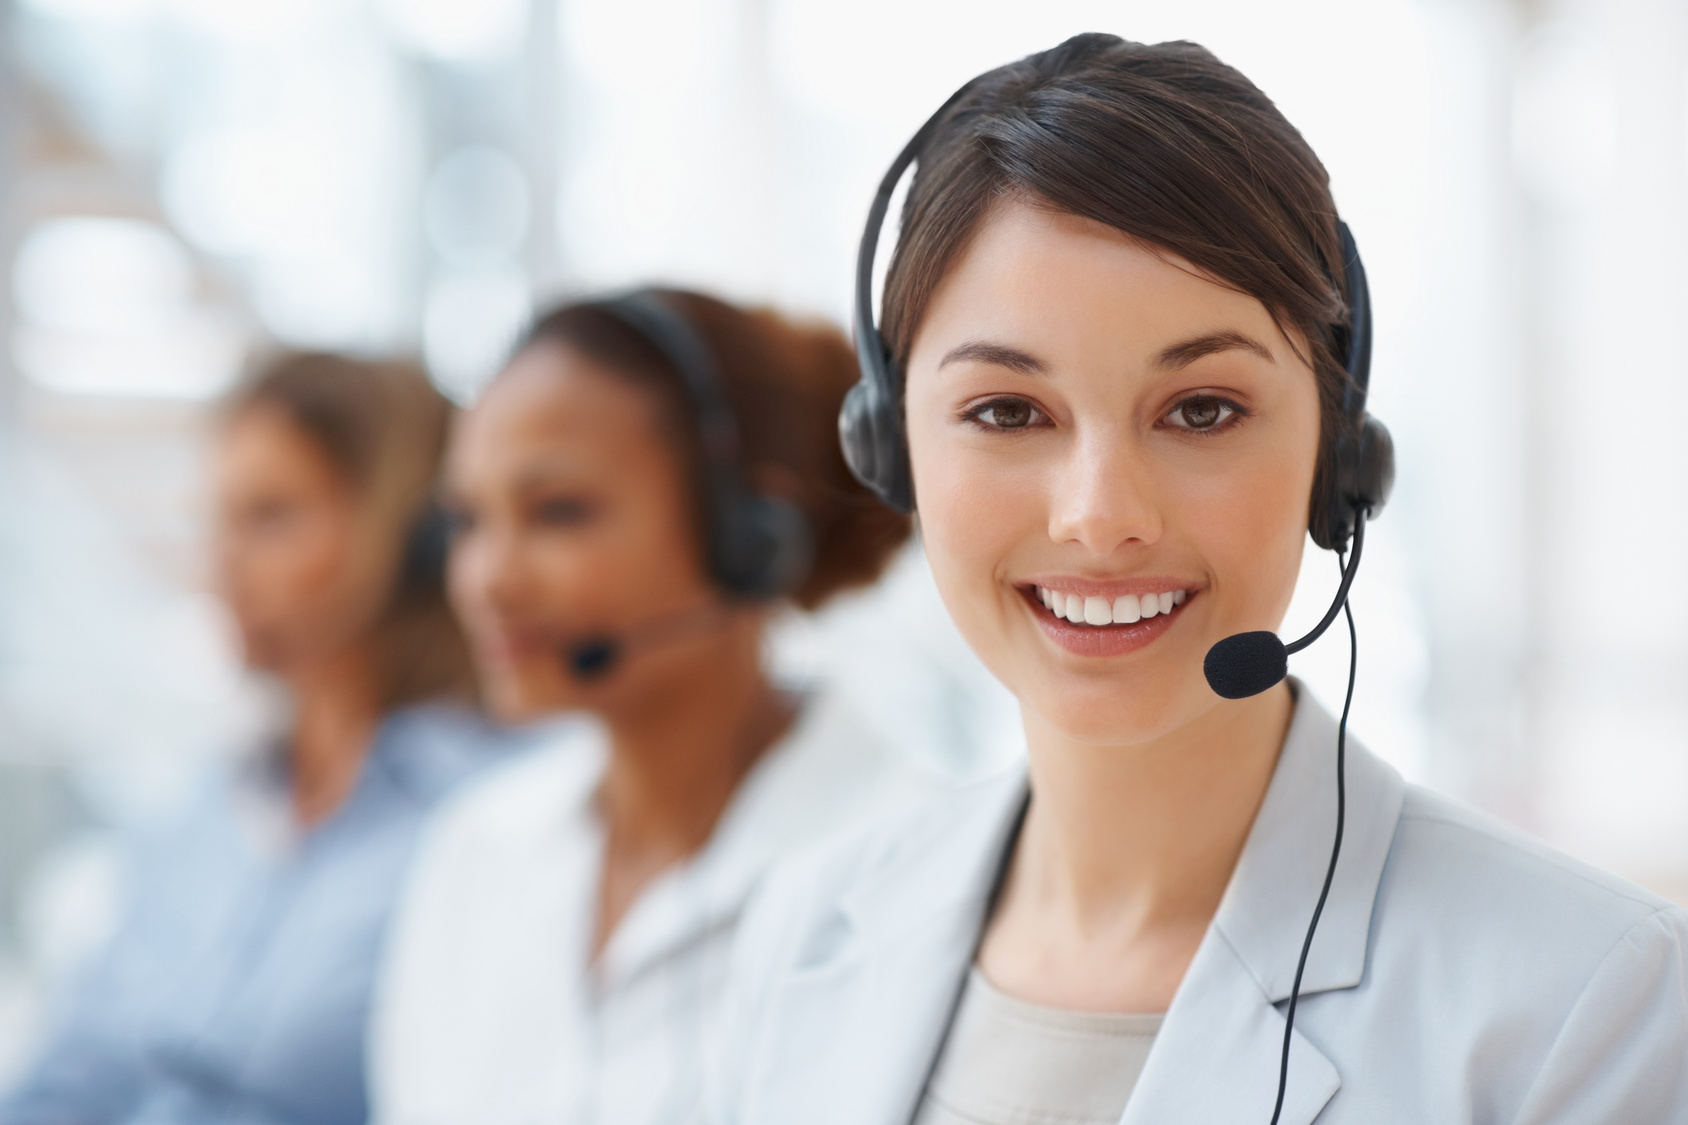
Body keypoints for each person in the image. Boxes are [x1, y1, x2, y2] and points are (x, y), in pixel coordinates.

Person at [707, 35, 1688, 1125]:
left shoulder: (1590, 1006)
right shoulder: (800, 936)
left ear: (1336, 456)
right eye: (1006, 411)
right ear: (890, 448)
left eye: (1201, 410)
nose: (1100, 515)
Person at [368, 289, 929, 1125]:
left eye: (558, 511)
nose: (488, 576)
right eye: (468, 521)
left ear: (748, 533)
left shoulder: (910, 872)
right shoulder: (474, 847)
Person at [0, 353, 525, 1125]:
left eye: (271, 516)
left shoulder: (498, 814)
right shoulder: (207, 805)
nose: (224, 560)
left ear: (420, 537)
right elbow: (72, 1068)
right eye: (219, 519)